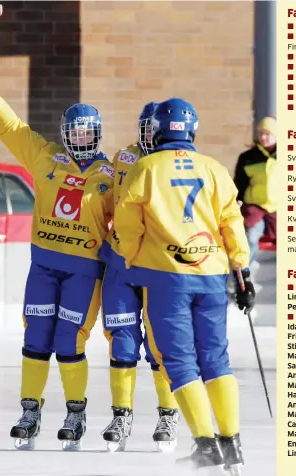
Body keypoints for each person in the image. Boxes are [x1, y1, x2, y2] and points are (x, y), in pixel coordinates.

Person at [0, 72, 113, 451]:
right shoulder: (46, 156)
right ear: (65, 134)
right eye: (74, 133)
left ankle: (75, 412)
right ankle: (30, 411)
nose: (80, 139)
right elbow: (14, 129)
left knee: (69, 339)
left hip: (84, 270)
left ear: (97, 134)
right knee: (35, 336)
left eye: (86, 133)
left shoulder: (111, 175)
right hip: (44, 266)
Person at [113, 98, 254, 474]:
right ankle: (232, 442)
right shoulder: (214, 168)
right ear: (192, 130)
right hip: (212, 273)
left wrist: (133, 256)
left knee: (179, 360)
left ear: (157, 129)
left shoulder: (145, 168)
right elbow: (232, 220)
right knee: (216, 358)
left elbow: (127, 223)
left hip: (166, 275)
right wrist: (242, 269)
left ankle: (206, 444)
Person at [98, 102, 179, 453]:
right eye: (145, 126)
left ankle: (167, 414)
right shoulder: (124, 157)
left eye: (155, 127)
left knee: (161, 344)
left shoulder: (177, 162)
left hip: (159, 264)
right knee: (122, 340)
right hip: (120, 260)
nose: (149, 134)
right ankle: (122, 414)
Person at [233, 116, 277, 265]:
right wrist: (237, 200)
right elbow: (240, 182)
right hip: (255, 207)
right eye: (261, 133)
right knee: (250, 238)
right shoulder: (248, 157)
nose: (263, 137)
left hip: (278, 208)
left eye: (268, 133)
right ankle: (243, 277)